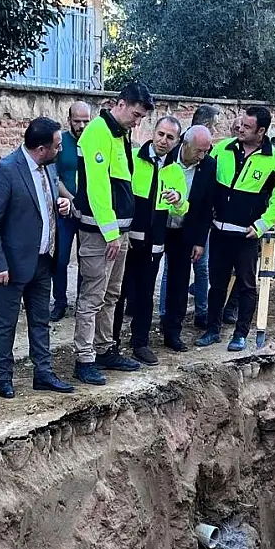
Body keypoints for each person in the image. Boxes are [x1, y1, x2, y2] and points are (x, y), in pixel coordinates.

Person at [0, 116, 75, 399]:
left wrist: (65, 206)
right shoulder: (6, 171)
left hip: (44, 260)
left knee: (40, 320)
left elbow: (44, 206)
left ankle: (43, 374)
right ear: (42, 148)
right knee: (6, 324)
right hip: (11, 265)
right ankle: (4, 379)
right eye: (57, 146)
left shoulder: (48, 168)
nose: (61, 150)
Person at [72, 83, 155, 386]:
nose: (138, 122)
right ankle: (84, 358)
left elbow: (123, 184)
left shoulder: (120, 134)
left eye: (141, 117)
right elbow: (96, 187)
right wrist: (109, 232)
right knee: (92, 296)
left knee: (112, 294)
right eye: (136, 114)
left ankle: (105, 348)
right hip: (100, 233)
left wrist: (122, 232)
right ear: (121, 104)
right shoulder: (97, 132)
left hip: (118, 232)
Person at [196, 105, 275, 353]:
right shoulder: (222, 149)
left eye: (247, 127)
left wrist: (260, 226)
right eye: (240, 124)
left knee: (247, 285)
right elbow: (205, 179)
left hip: (246, 235)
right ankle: (212, 330)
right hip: (218, 231)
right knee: (217, 283)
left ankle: (240, 334)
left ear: (261, 131)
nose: (240, 129)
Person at [117, 115, 187, 365]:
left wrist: (178, 199)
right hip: (128, 240)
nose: (164, 141)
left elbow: (181, 210)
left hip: (155, 243)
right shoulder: (134, 159)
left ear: (177, 141)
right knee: (119, 292)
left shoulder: (175, 170)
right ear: (153, 132)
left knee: (146, 294)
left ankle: (140, 343)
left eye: (170, 137)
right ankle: (110, 344)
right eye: (161, 134)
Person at [161, 124, 214, 350]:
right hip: (158, 227)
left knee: (179, 282)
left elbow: (206, 208)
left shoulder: (208, 167)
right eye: (198, 151)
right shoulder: (165, 158)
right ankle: (140, 331)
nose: (202, 155)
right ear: (185, 144)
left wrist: (199, 241)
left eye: (206, 151)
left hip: (185, 231)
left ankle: (173, 331)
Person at [50, 101, 91, 322]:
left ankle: (83, 302)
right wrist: (71, 199)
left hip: (89, 212)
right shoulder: (61, 142)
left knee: (87, 258)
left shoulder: (94, 141)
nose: (82, 125)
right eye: (77, 121)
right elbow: (54, 176)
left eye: (86, 121)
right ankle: (60, 302)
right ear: (69, 121)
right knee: (60, 258)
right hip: (65, 210)